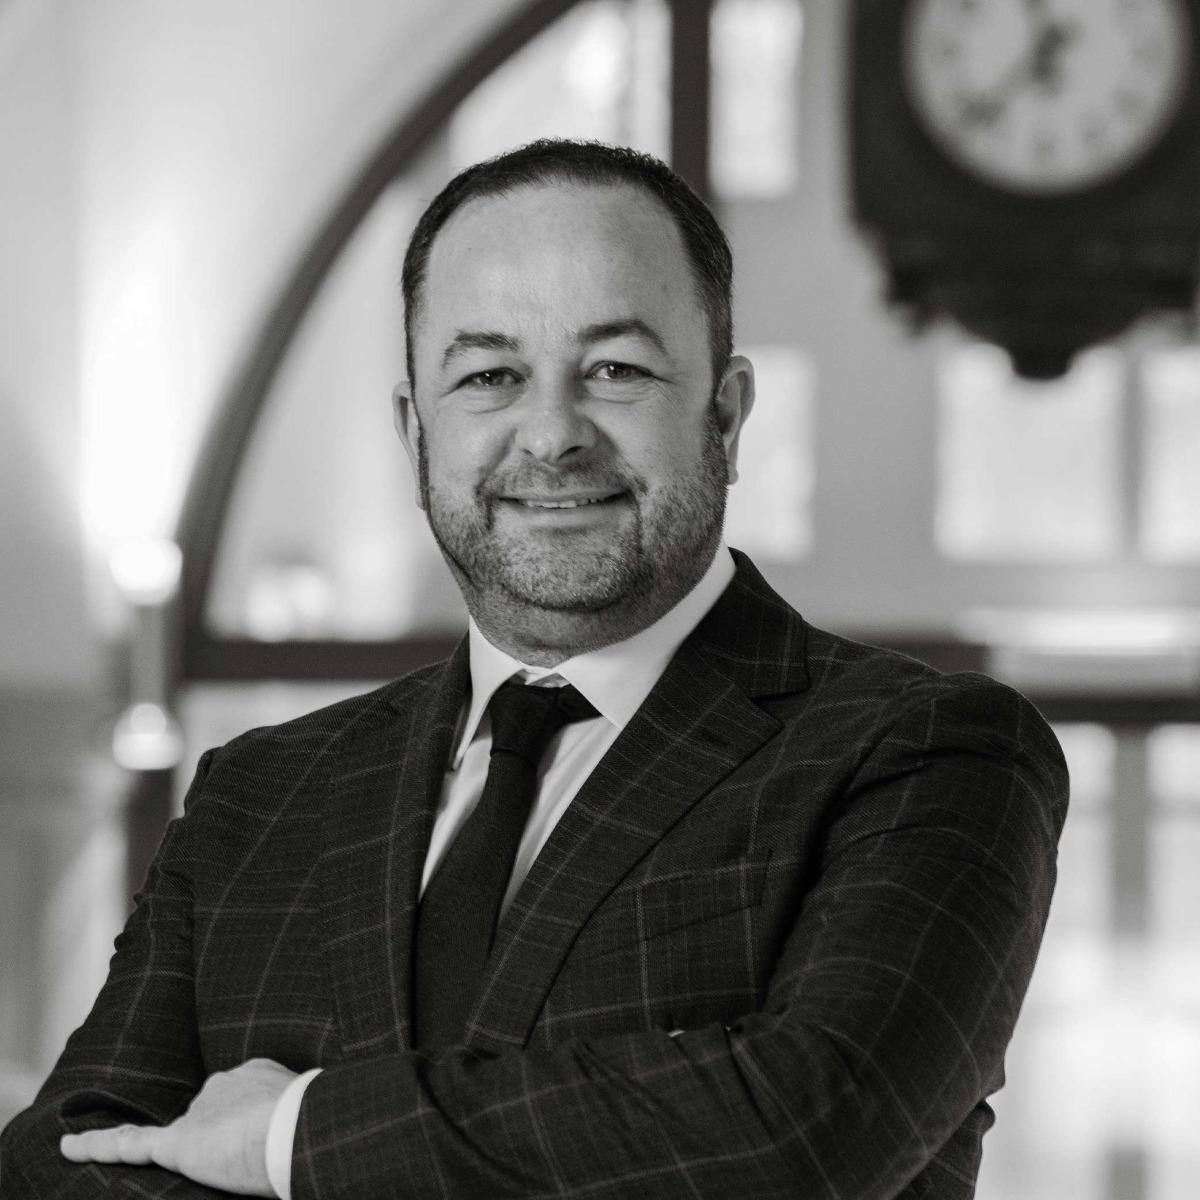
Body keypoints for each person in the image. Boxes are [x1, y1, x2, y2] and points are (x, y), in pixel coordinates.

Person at [0, 139, 1068, 1200]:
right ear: (415, 430)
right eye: (490, 375)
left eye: (616, 369)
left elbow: (809, 1126)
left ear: (728, 417)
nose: (551, 434)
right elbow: (64, 1163)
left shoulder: (932, 754)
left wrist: (290, 1137)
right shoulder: (258, 794)